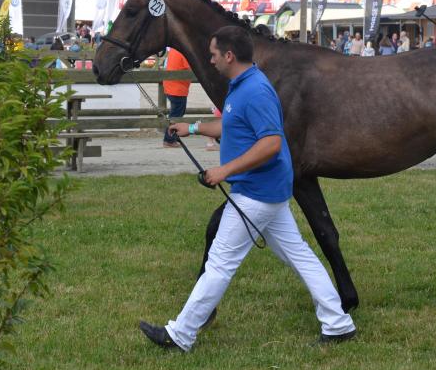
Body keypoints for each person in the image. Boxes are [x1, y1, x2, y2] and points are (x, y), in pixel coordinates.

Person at [139, 25, 356, 351]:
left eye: (213, 54)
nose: (209, 60)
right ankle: (338, 324)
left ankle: (180, 334)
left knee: (219, 264)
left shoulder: (255, 90)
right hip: (267, 192)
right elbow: (230, 123)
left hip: (256, 192)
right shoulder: (240, 86)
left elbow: (270, 143)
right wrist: (193, 127)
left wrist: (224, 170)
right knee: (301, 257)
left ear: (229, 55)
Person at [162, 48, 191, 148]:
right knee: (176, 115)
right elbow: (190, 68)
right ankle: (169, 139)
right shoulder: (183, 51)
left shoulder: (173, 50)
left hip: (171, 86)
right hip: (177, 88)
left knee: (175, 113)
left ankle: (172, 136)